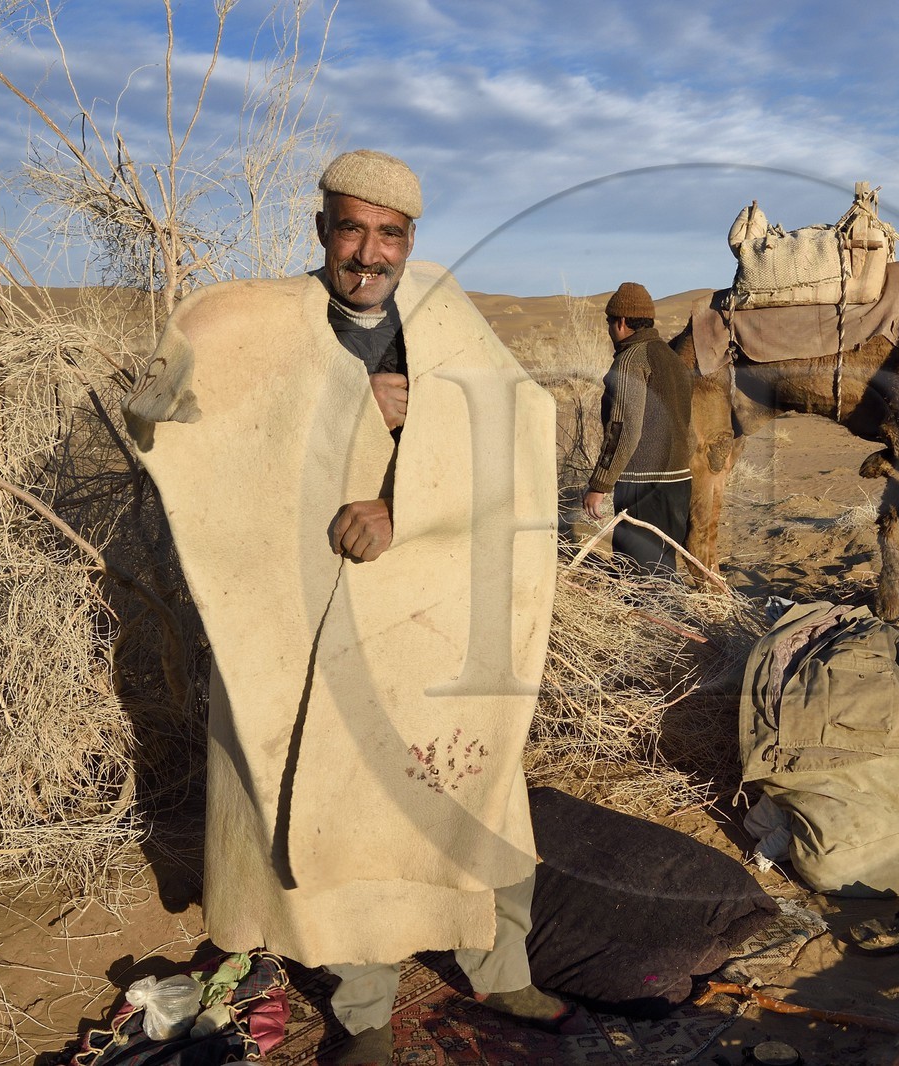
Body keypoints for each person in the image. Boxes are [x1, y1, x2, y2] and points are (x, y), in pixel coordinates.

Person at [123, 150, 565, 1065]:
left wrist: (412, 477)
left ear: (411, 239)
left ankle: (501, 967)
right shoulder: (273, 329)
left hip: (441, 612)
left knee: (475, 788)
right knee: (344, 812)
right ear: (322, 228)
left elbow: (518, 438)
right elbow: (217, 443)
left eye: (389, 233)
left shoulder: (445, 317)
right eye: (352, 229)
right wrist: (345, 409)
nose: (369, 252)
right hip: (315, 612)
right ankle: (365, 1015)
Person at [581, 282, 694, 575]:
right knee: (662, 571)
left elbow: (623, 430)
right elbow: (688, 428)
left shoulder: (631, 360)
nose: (609, 329)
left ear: (620, 322)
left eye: (609, 322)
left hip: (643, 486)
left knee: (638, 577)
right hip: (679, 484)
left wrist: (599, 484)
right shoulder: (673, 359)